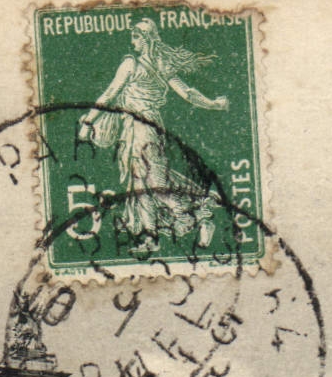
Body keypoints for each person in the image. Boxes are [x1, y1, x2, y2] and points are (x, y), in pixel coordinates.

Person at [77, 17, 229, 255]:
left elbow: (109, 95)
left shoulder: (133, 64)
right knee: (140, 184)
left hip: (142, 129)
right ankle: (150, 238)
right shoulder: (160, 66)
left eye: (136, 37)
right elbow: (188, 93)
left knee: (156, 184)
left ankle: (201, 210)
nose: (133, 42)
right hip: (138, 129)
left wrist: (88, 120)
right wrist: (213, 104)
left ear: (146, 39)